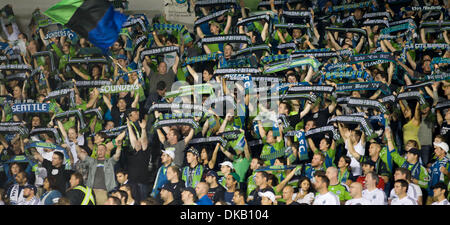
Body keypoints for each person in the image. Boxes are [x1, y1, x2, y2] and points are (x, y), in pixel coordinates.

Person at [74, 139, 123, 205]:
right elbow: (80, 154)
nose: (100, 151)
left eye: (102, 149)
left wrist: (119, 147)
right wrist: (76, 144)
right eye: (98, 149)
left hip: (103, 192)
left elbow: (117, 156)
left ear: (105, 151)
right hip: (90, 191)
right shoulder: (91, 161)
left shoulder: (109, 162)